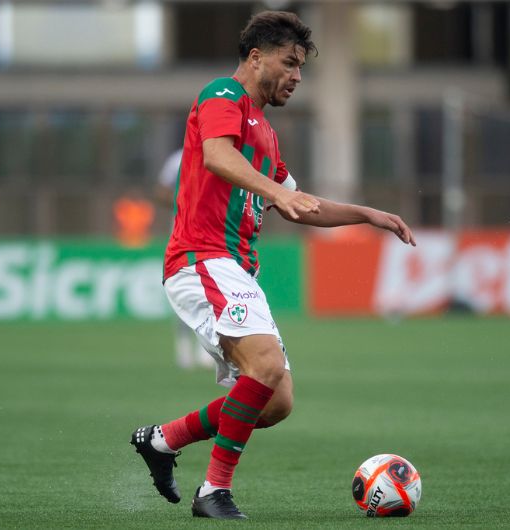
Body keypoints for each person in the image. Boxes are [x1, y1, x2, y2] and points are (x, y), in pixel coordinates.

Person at [130, 10, 416, 520]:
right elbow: (218, 157)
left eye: (301, 67)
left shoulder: (265, 133)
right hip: (202, 258)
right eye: (289, 63)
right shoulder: (224, 95)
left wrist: (366, 214)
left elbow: (300, 202)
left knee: (276, 400)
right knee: (263, 367)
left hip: (236, 269)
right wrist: (270, 193)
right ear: (256, 57)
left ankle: (162, 440)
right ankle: (213, 491)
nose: (297, 77)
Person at [155, 148, 215, 369]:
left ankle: (206, 348)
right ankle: (183, 346)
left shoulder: (221, 152)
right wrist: (183, 199)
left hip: (212, 234)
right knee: (184, 294)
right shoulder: (177, 159)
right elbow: (161, 191)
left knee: (209, 292)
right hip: (182, 235)